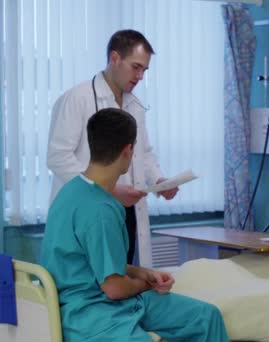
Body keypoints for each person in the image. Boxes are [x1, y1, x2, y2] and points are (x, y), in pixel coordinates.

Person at [41, 108, 228, 341]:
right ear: (128, 151)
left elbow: (98, 260)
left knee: (205, 316)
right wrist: (145, 285)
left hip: (103, 300)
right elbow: (114, 288)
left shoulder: (70, 190)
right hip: (89, 312)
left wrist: (145, 273)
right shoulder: (101, 210)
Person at [47, 29, 178, 266]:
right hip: (87, 209)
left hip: (125, 209)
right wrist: (106, 189)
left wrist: (159, 180)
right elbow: (58, 157)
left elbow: (143, 152)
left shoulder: (134, 105)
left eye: (144, 70)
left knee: (120, 275)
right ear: (114, 58)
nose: (140, 76)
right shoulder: (78, 98)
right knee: (91, 281)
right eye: (135, 67)